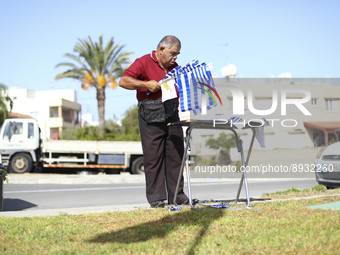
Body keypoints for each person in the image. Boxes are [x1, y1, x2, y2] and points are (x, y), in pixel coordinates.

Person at [119, 35, 189, 208]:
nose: (176, 57)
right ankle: (156, 198)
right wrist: (146, 85)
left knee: (176, 156)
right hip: (151, 113)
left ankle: (177, 196)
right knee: (153, 157)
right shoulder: (143, 62)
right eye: (173, 53)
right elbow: (123, 81)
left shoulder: (174, 67)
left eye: (178, 54)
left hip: (172, 112)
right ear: (161, 50)